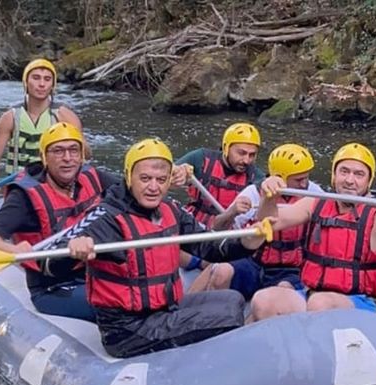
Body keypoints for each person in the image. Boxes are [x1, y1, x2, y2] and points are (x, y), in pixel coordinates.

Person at [40, 138, 267, 358]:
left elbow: (211, 248)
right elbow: (47, 262)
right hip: (127, 330)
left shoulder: (170, 209)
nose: (153, 187)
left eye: (161, 179)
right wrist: (73, 249)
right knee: (226, 317)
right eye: (145, 178)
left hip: (163, 310)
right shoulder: (106, 217)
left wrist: (248, 243)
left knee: (232, 300)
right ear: (129, 177)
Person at [247, 142, 376, 321]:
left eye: (359, 174)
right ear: (334, 176)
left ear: (369, 181)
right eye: (344, 172)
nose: (350, 180)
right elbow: (269, 221)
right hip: (310, 295)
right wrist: (268, 196)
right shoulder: (315, 203)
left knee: (319, 303)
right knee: (264, 300)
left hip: (357, 303)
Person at [0, 122, 121, 321]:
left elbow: (133, 192)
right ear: (44, 157)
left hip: (96, 272)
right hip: (53, 287)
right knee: (120, 304)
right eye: (58, 151)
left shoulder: (93, 176)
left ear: (81, 155)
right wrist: (14, 250)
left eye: (73, 150)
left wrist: (169, 176)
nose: (67, 158)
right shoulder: (24, 197)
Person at [188, 143, 323, 299]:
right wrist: (232, 212)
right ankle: (206, 314)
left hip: (290, 268)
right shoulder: (253, 192)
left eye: (306, 178)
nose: (304, 184)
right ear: (281, 177)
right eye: (299, 179)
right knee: (220, 271)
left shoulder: (314, 192)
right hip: (254, 261)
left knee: (283, 289)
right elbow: (222, 231)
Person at [0, 58, 89, 195]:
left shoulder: (65, 116)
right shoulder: (10, 118)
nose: (42, 84)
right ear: (26, 82)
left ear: (53, 85)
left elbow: (83, 156)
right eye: (36, 78)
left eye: (47, 79)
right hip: (18, 188)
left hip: (52, 188)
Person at [174, 122, 261, 230]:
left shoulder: (256, 177)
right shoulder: (201, 158)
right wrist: (179, 173)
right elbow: (165, 173)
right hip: (193, 225)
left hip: (226, 230)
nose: (246, 160)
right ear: (226, 148)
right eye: (241, 153)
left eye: (252, 155)